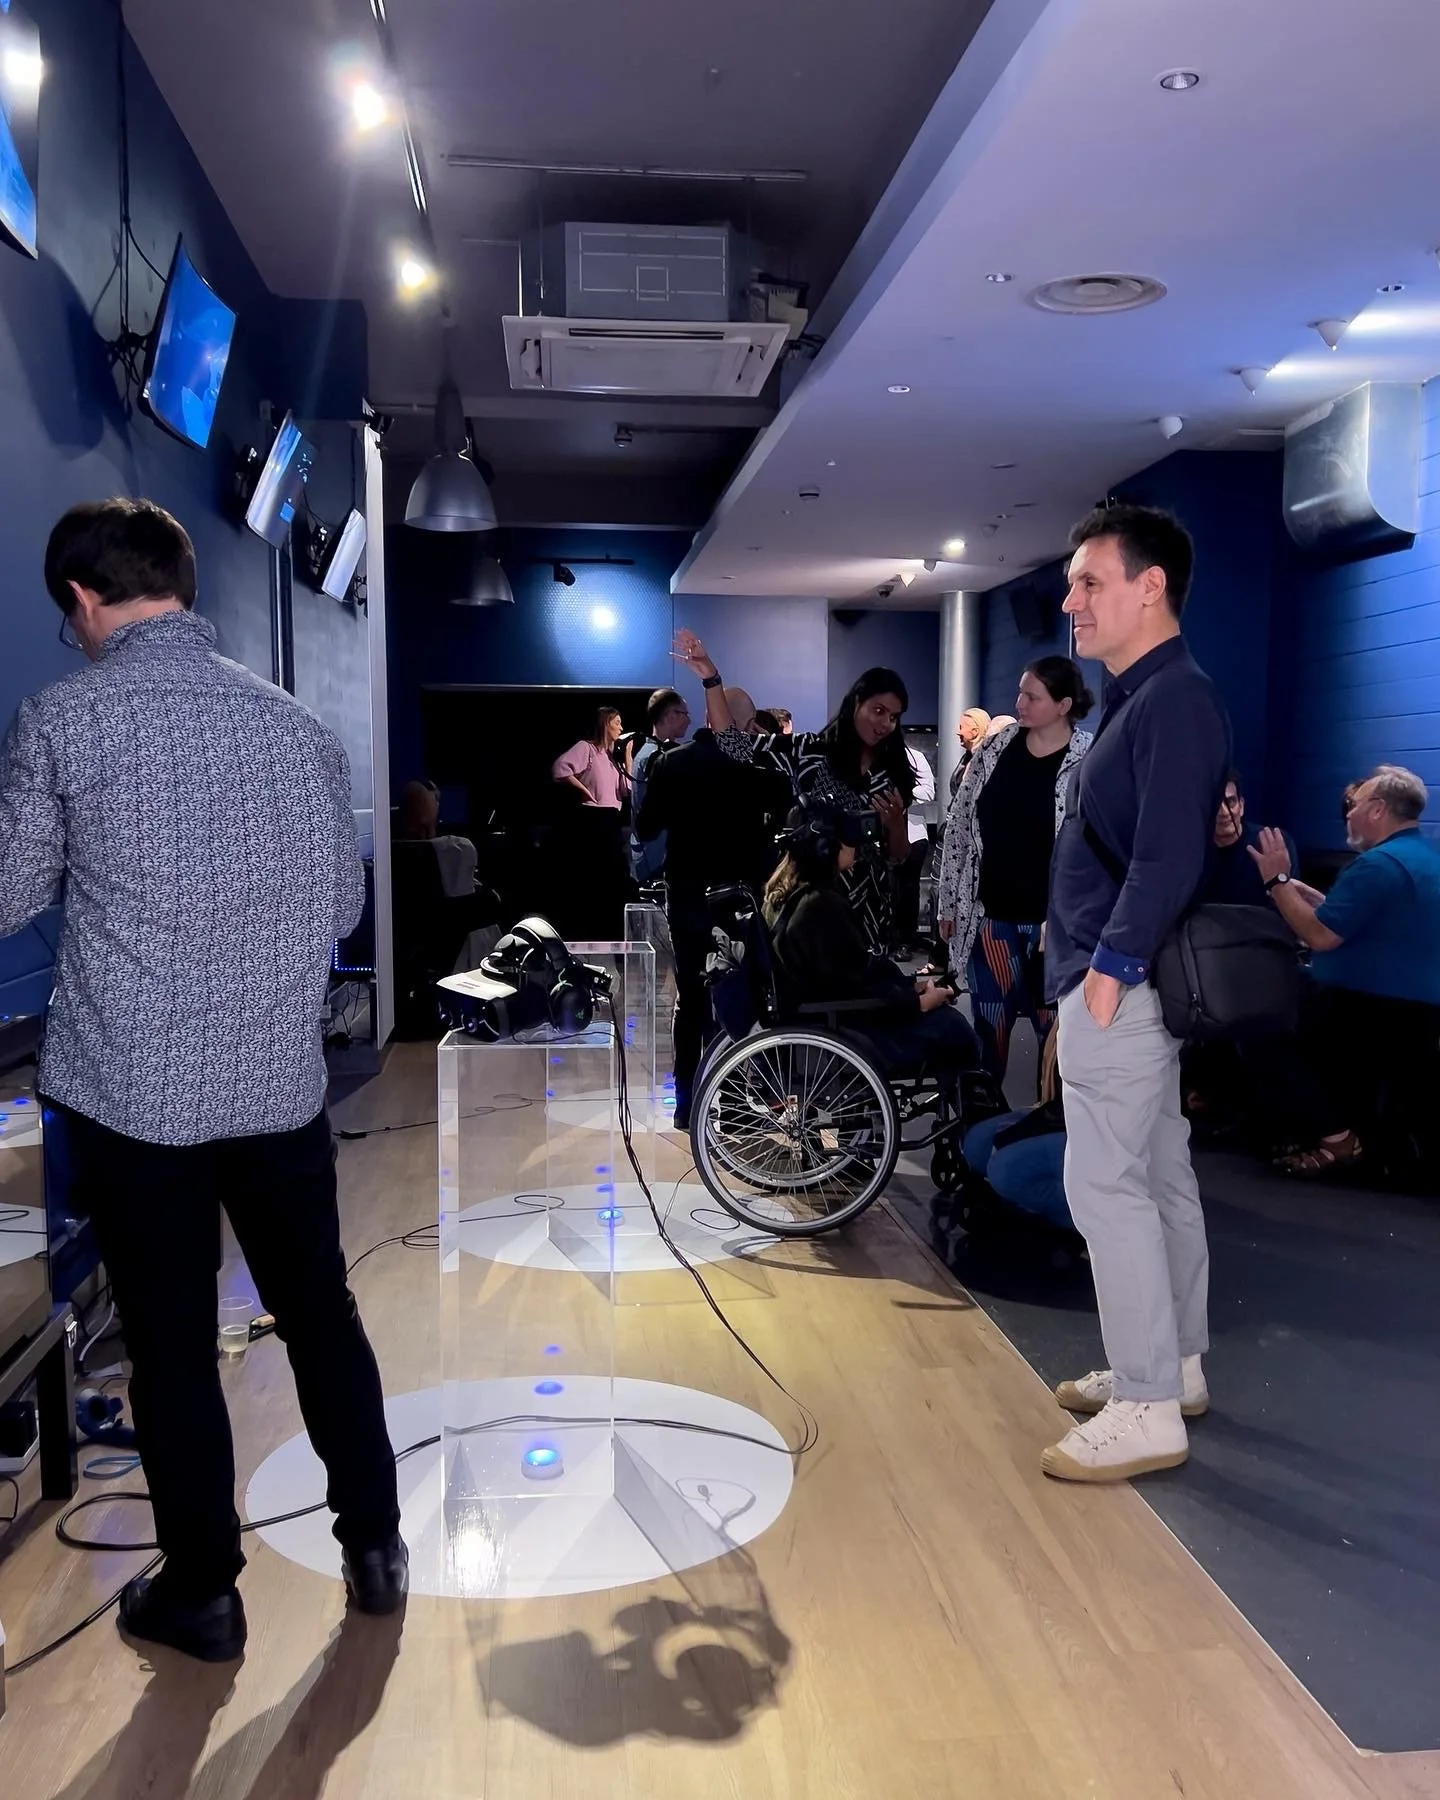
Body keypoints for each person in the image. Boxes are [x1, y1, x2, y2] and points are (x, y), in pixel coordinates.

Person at [0, 500, 405, 1662]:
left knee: (172, 1346)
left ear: (83, 600)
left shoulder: (61, 722)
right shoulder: (298, 729)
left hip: (137, 1105)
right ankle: (374, 1548)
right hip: (278, 1093)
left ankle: (206, 1596)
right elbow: (340, 911)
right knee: (322, 1316)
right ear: (182, 581)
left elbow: (9, 895)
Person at [1043, 503, 1231, 1484]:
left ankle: (1149, 1405)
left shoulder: (1174, 699)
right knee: (1157, 1179)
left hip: (1119, 984)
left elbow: (1165, 855)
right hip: (1118, 980)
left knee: (1107, 1187)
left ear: (1148, 586)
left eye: (1089, 582)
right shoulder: (1143, 697)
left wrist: (1108, 974)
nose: (1070, 601)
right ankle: (1173, 1369)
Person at [1248, 764, 1440, 1175]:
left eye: (1354, 805)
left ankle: (1338, 1140)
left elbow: (1319, 937)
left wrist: (1277, 882)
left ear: (1377, 809)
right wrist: (1313, 897)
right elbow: (1364, 920)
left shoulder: (1377, 865)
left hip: (1371, 1007)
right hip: (1415, 1011)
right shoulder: (1423, 858)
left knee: (1259, 1028)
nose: (1348, 813)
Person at [672, 630, 914, 954]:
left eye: (894, 717)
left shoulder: (890, 774)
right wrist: (711, 679)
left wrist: (896, 825)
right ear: (857, 703)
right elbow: (732, 742)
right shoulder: (810, 750)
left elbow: (898, 856)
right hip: (808, 904)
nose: (885, 723)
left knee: (865, 994)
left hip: (867, 912)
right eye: (878, 710)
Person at [634, 688, 792, 1129]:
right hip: (739, 899)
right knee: (741, 1000)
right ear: (744, 727)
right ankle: (738, 1110)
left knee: (692, 999)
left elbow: (646, 827)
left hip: (686, 896)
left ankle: (687, 1105)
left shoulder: (672, 762)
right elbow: (784, 815)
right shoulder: (754, 768)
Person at [935, 657, 1094, 1082]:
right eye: (1020, 692)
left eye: (1032, 695)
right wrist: (947, 903)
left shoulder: (1089, 759)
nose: (1019, 702)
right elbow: (960, 825)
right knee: (988, 1033)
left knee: (1057, 1037)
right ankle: (982, 1126)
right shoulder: (995, 746)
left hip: (1055, 930)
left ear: (1063, 705)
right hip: (992, 919)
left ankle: (1052, 1129)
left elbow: (1099, 849)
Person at [763, 801, 980, 1077]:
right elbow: (856, 985)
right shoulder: (820, 906)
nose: (855, 844)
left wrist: (909, 988)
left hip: (828, 1020)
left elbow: (852, 974)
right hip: (851, 1030)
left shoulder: (788, 895)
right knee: (954, 1029)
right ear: (826, 848)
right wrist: (920, 1002)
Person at [551, 707, 631, 938]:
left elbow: (626, 790)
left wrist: (626, 758)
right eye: (618, 722)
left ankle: (607, 931)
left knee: (613, 882)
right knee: (594, 879)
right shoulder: (587, 748)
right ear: (606, 723)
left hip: (612, 821)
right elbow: (560, 769)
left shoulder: (610, 758)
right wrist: (584, 791)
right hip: (594, 821)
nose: (621, 727)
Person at [1199, 769, 1297, 906]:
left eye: (1230, 802)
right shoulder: (1193, 852)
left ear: (1242, 806)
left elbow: (1292, 907)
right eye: (1216, 804)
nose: (1224, 812)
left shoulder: (1274, 844)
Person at [629, 688, 693, 882]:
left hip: (652, 857)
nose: (689, 720)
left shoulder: (650, 753)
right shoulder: (655, 757)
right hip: (656, 861)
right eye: (685, 714)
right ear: (671, 716)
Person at [895, 740, 937, 954]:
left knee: (908, 888)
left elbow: (929, 791)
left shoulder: (915, 757)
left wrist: (903, 793)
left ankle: (905, 940)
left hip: (913, 835)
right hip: (878, 837)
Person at [950, 707, 992, 800]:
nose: (958, 732)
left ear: (975, 732)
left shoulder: (985, 761)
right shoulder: (967, 757)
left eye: (961, 727)